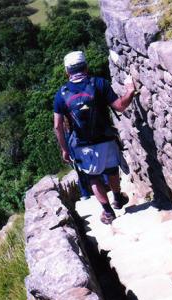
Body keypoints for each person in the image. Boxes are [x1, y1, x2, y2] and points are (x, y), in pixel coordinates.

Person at [53, 50, 136, 224]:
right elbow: (120, 106)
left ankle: (108, 212)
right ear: (86, 66)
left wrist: (64, 149)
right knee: (112, 170)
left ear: (67, 71)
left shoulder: (61, 95)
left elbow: (57, 126)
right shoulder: (99, 84)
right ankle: (117, 197)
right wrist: (129, 91)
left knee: (93, 177)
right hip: (106, 138)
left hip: (83, 145)